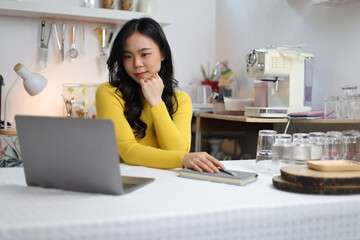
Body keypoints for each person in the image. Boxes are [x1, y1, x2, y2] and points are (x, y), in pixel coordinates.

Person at [96, 17, 225, 173]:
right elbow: (128, 152)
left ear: (163, 53)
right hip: (127, 180)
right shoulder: (109, 93)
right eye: (127, 56)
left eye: (145, 54)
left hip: (168, 183)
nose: (137, 63)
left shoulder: (181, 100)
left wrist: (156, 102)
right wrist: (182, 159)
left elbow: (177, 149)